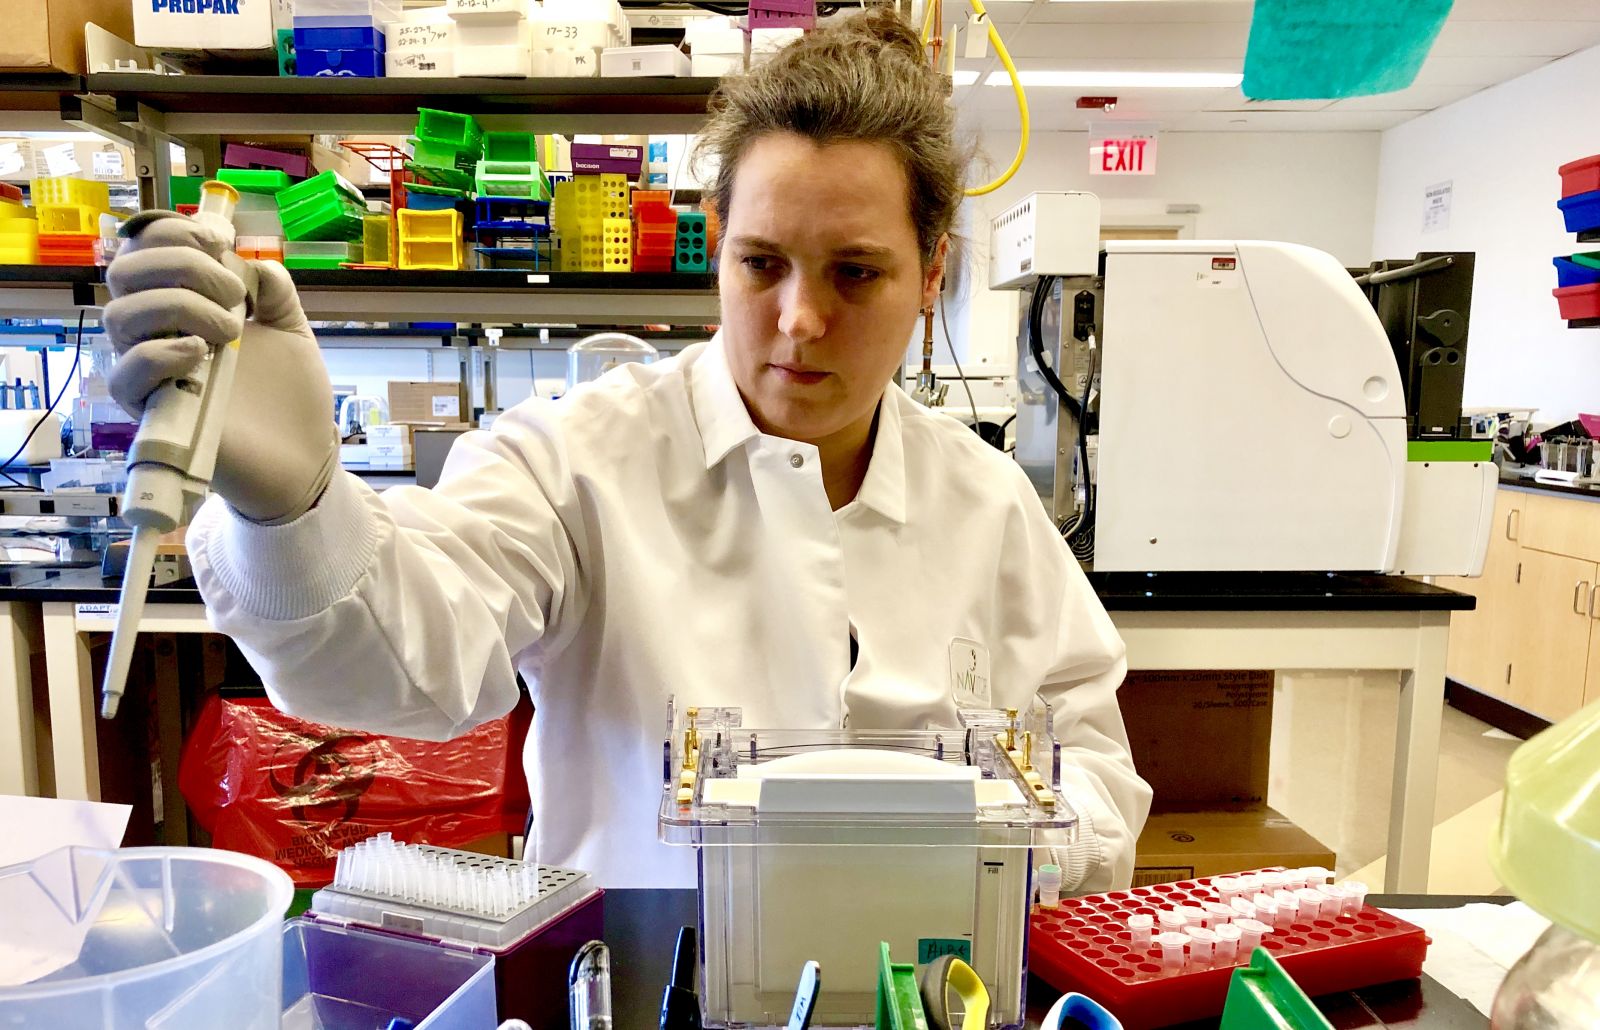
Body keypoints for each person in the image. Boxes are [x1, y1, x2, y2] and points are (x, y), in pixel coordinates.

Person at [102, 9, 1151, 889]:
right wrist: (293, 508)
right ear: (717, 245)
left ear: (933, 272)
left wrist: (989, 840)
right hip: (636, 989)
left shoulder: (986, 501)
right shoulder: (578, 462)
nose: (799, 319)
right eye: (763, 264)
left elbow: (1097, 766)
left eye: (857, 274)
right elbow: (399, 666)